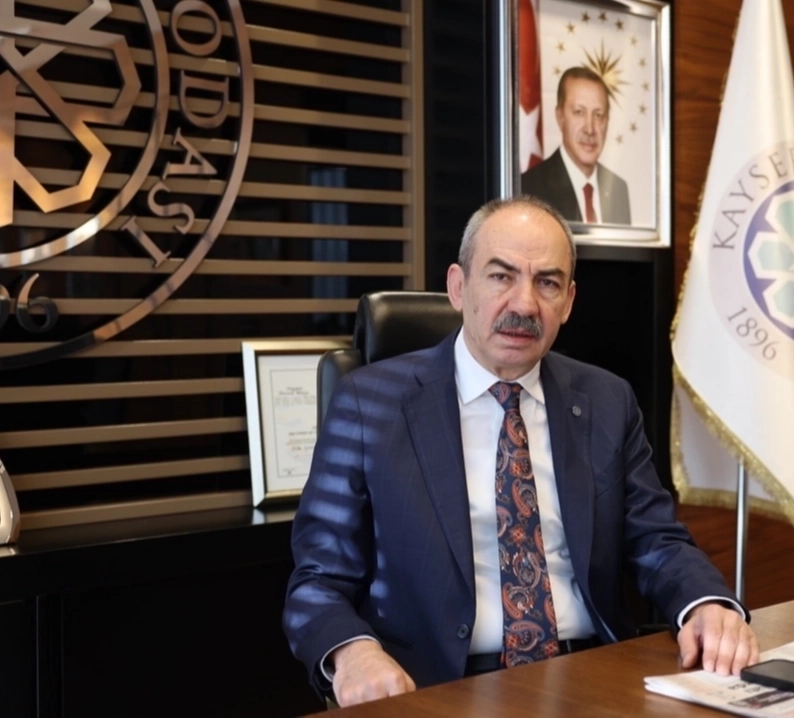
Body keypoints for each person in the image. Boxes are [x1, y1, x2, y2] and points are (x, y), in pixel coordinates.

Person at [283, 196, 757, 707]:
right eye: (501, 276)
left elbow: (656, 539)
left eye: (547, 283)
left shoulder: (606, 399)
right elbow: (317, 581)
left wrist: (705, 604)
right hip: (437, 686)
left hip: (592, 673)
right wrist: (354, 653)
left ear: (568, 302)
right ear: (458, 287)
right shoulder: (369, 403)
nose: (525, 304)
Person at [522, 67, 631, 225]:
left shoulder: (618, 189)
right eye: (579, 112)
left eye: (598, 115)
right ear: (560, 117)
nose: (590, 129)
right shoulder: (530, 189)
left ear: (607, 121)